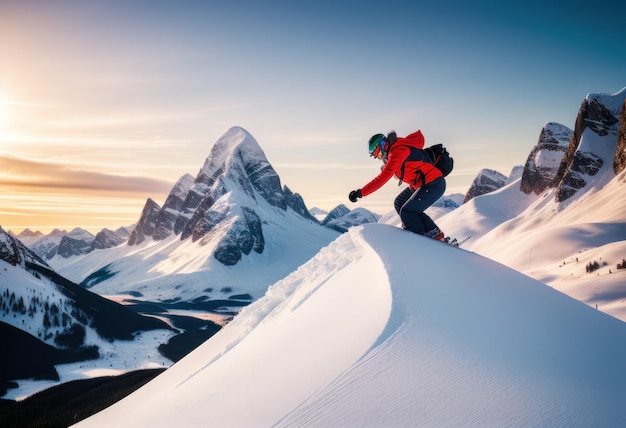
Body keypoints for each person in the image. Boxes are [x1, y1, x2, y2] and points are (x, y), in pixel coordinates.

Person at [348, 130, 446, 240]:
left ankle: (420, 240)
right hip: (421, 184)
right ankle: (433, 233)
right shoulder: (394, 152)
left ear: (382, 145)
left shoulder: (397, 152)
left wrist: (360, 192)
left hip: (433, 184)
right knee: (399, 202)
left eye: (378, 154)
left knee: (407, 211)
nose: (380, 158)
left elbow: (382, 178)